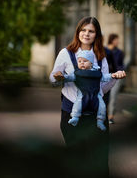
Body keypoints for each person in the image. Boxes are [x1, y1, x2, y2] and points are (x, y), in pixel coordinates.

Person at [49, 16, 126, 177]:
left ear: (96, 35)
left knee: (98, 160)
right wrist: (57, 77)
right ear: (78, 32)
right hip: (71, 114)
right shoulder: (66, 53)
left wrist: (114, 78)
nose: (86, 34)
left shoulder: (101, 56)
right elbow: (52, 79)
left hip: (95, 116)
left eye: (91, 31)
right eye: (83, 30)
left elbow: (102, 88)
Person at [62, 50, 120, 131]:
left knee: (102, 106)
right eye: (79, 61)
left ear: (91, 63)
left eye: (85, 61)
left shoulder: (97, 72)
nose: (82, 63)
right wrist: (63, 77)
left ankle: (100, 121)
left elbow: (104, 77)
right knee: (78, 103)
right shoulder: (77, 73)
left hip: (96, 94)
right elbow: (69, 77)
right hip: (83, 93)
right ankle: (75, 117)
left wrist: (112, 75)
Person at [106, 34, 125, 124]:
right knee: (105, 96)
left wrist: (120, 72)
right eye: (116, 40)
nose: (118, 42)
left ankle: (111, 116)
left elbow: (121, 65)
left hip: (116, 78)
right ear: (112, 40)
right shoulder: (104, 50)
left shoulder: (119, 52)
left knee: (113, 96)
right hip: (106, 77)